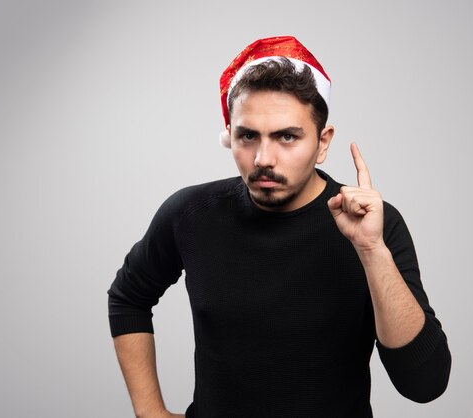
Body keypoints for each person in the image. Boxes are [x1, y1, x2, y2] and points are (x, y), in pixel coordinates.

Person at [108, 36, 451, 418]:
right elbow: (129, 296)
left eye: (287, 136)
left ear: (323, 143)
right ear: (230, 136)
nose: (263, 158)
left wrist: (371, 251)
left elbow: (425, 384)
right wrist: (149, 411)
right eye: (247, 136)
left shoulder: (373, 226)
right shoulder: (190, 213)